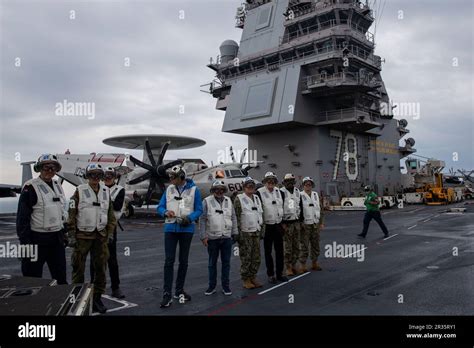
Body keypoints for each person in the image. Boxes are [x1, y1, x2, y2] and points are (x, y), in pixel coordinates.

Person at [68, 163, 116, 314]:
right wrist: (71, 234)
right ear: (87, 176)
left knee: (101, 268)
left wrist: (108, 233)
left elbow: (111, 215)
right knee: (78, 268)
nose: (95, 178)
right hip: (82, 236)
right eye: (91, 175)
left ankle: (97, 298)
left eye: (97, 175)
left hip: (100, 237)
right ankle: (78, 298)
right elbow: (71, 213)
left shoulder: (106, 192)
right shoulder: (79, 191)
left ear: (101, 176)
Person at [16, 154, 68, 284]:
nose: (49, 171)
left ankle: (61, 303)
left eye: (53, 168)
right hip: (36, 240)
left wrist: (64, 233)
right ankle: (32, 304)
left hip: (56, 240)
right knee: (32, 279)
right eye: (46, 167)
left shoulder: (57, 185)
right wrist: (25, 245)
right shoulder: (31, 187)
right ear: (39, 169)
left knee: (61, 278)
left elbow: (61, 211)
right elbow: (22, 219)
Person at [157, 165, 203, 308]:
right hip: (170, 228)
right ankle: (167, 294)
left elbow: (199, 210)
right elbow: (160, 207)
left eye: (173, 177)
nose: (171, 180)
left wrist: (189, 219)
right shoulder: (169, 189)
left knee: (183, 261)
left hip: (186, 229)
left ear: (182, 177)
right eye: (170, 177)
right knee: (169, 261)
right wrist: (165, 212)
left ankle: (179, 290)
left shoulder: (194, 190)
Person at [90, 166, 126, 299]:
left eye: (111, 175)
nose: (108, 178)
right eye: (105, 175)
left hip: (110, 227)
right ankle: (93, 286)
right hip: (96, 227)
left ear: (115, 177)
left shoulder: (119, 190)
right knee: (95, 258)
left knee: (111, 259)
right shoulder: (97, 188)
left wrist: (103, 202)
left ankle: (115, 287)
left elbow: (117, 206)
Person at [199, 180, 238, 296]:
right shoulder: (206, 201)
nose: (219, 191)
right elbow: (202, 219)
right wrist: (203, 236)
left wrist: (235, 232)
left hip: (226, 237)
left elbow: (233, 217)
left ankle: (226, 286)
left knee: (226, 263)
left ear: (224, 190)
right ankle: (212, 286)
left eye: (221, 189)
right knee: (212, 263)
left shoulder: (228, 201)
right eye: (217, 189)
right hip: (212, 238)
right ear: (213, 190)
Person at [257, 172, 288, 284]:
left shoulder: (280, 193)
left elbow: (283, 209)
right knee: (268, 252)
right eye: (268, 180)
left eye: (273, 180)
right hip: (267, 226)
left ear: (275, 182)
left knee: (280, 251)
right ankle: (271, 275)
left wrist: (284, 223)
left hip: (278, 225)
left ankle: (280, 274)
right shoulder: (259, 193)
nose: (271, 182)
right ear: (265, 181)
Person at [234, 177, 264, 289]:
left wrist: (262, 229)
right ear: (244, 187)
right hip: (245, 233)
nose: (250, 187)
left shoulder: (256, 198)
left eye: (252, 185)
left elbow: (261, 214)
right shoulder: (239, 199)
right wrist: (238, 234)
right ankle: (245, 279)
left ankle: (253, 277)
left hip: (256, 231)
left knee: (256, 257)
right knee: (246, 257)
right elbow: (236, 218)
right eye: (248, 185)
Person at [299, 177, 324, 272]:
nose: (308, 186)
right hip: (305, 225)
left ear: (312, 185)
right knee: (304, 245)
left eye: (309, 184)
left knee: (315, 245)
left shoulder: (315, 195)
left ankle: (315, 263)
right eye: (306, 184)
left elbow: (320, 209)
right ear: (303, 185)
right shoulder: (300, 195)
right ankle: (303, 265)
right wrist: (300, 223)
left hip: (315, 224)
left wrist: (321, 222)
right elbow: (297, 211)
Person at [280, 173, 301, 276]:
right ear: (284, 182)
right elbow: (279, 209)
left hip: (296, 222)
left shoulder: (297, 192)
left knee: (296, 246)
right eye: (288, 181)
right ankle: (288, 267)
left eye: (291, 181)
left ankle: (293, 265)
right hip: (286, 224)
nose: (290, 183)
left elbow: (300, 206)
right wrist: (282, 223)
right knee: (287, 247)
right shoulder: (281, 192)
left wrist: (301, 222)